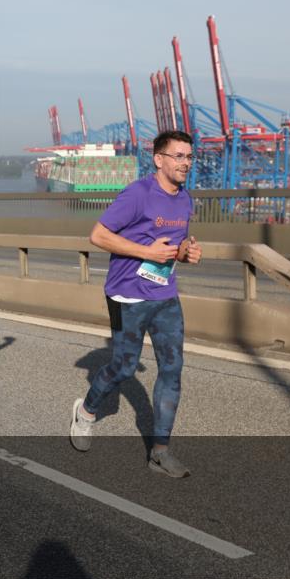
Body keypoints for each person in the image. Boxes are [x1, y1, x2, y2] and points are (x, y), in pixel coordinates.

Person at [69, 129, 202, 478]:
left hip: (165, 296)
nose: (185, 163)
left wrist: (186, 252)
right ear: (159, 159)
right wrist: (147, 252)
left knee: (172, 370)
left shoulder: (185, 198)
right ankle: (86, 411)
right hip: (128, 295)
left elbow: (174, 244)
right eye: (178, 156)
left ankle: (160, 452)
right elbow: (97, 235)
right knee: (125, 368)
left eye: (189, 156)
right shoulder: (137, 194)